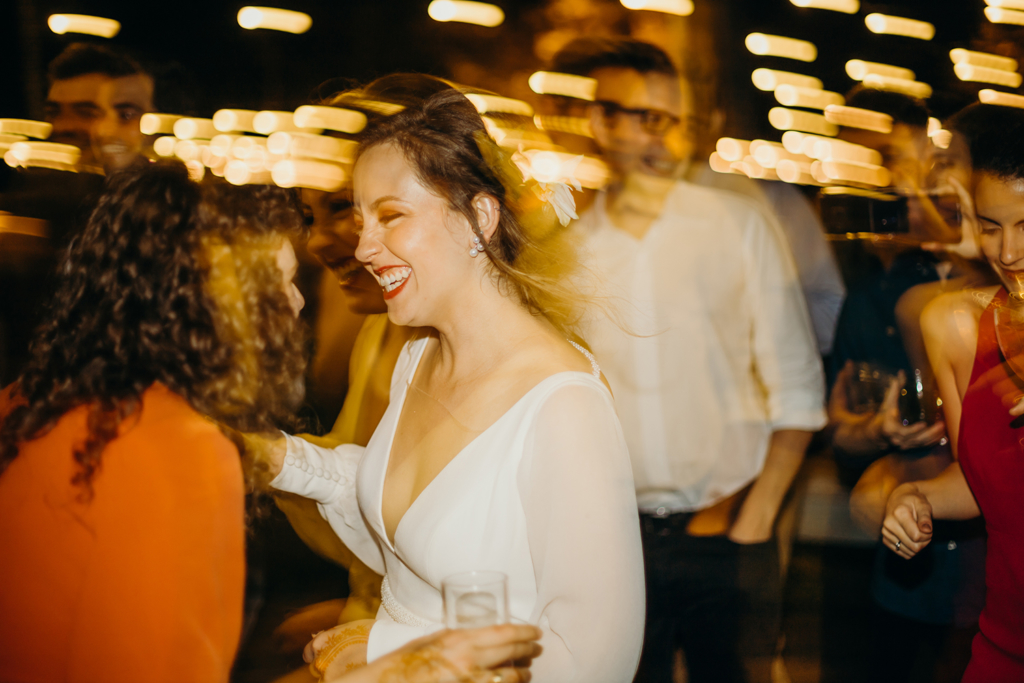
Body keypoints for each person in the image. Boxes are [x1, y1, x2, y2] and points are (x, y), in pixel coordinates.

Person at [267, 83, 646, 683]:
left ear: (480, 217)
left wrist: (390, 646)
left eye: (391, 216)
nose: (364, 247)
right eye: (361, 219)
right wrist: (273, 457)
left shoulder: (563, 405)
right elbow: (408, 529)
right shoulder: (417, 357)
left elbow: (595, 661)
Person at [568, 38, 826, 683]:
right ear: (598, 122)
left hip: (728, 532)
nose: (664, 138)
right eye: (645, 117)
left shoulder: (737, 225)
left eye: (676, 120)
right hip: (609, 541)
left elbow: (797, 386)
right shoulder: (565, 253)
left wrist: (755, 520)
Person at [884, 108, 1024, 682]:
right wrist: (914, 497)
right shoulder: (958, 328)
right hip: (1002, 650)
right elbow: (982, 479)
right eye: (992, 225)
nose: (1009, 251)